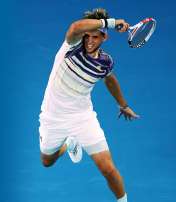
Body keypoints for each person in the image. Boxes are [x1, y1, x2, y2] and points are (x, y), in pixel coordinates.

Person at [39, 8, 139, 202]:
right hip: (53, 116)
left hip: (82, 117)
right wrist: (111, 22)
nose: (90, 41)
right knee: (47, 161)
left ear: (104, 38)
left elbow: (109, 80)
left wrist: (123, 105)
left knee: (107, 169)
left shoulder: (105, 62)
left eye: (95, 37)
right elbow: (75, 27)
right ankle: (69, 144)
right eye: (88, 36)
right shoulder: (71, 46)